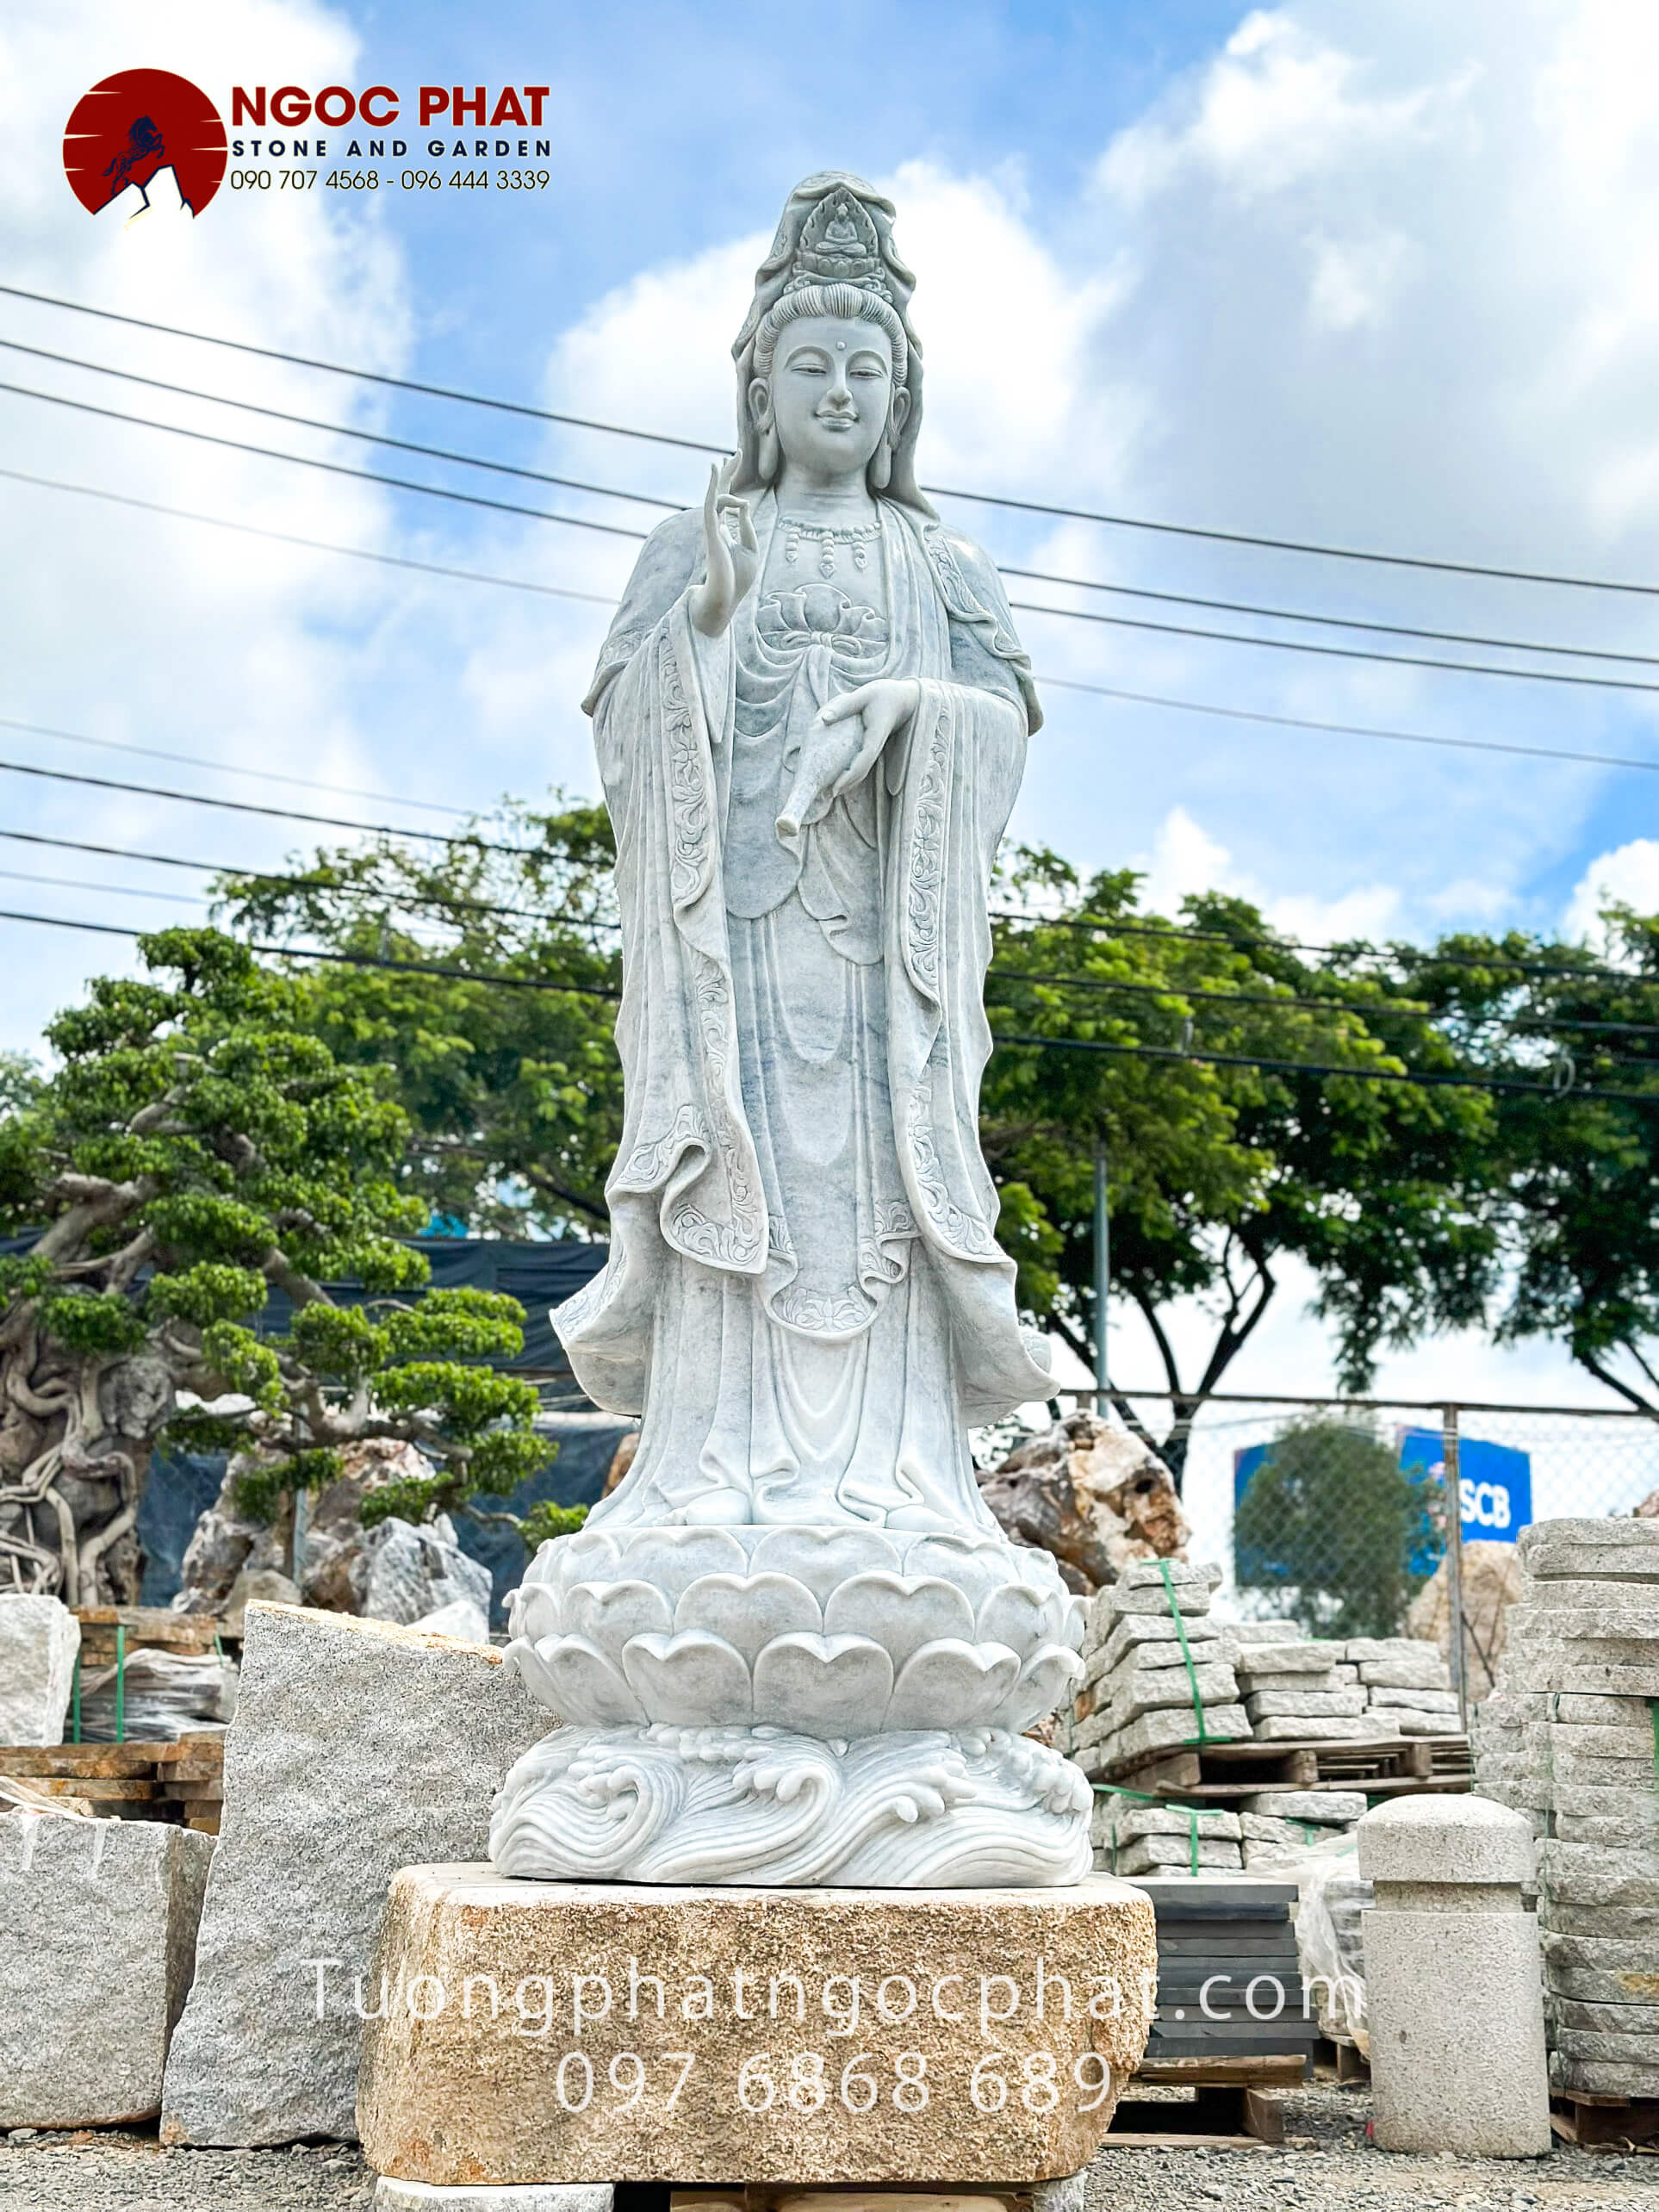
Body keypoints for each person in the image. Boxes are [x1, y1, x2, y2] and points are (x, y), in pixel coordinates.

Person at [557, 171, 1053, 1532]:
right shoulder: (693, 542)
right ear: (758, 391)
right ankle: (708, 1476)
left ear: (901, 400)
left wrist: (914, 711)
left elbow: (1003, 722)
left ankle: (899, 1484)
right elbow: (621, 730)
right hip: (733, 947)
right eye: (811, 366)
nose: (838, 392)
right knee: (739, 1169)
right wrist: (703, 628)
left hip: (886, 950)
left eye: (864, 370)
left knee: (875, 1187)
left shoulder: (942, 563)